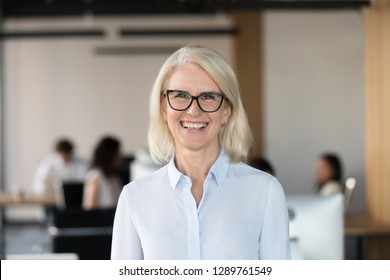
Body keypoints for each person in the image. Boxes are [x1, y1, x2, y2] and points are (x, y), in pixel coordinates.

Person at [111, 45, 291, 260]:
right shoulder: (135, 197)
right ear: (163, 107)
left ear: (227, 110)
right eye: (180, 95)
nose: (193, 110)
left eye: (208, 97)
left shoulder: (264, 191)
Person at [83, 136, 123, 210]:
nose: (121, 156)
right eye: (118, 152)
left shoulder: (114, 178)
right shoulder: (95, 177)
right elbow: (90, 209)